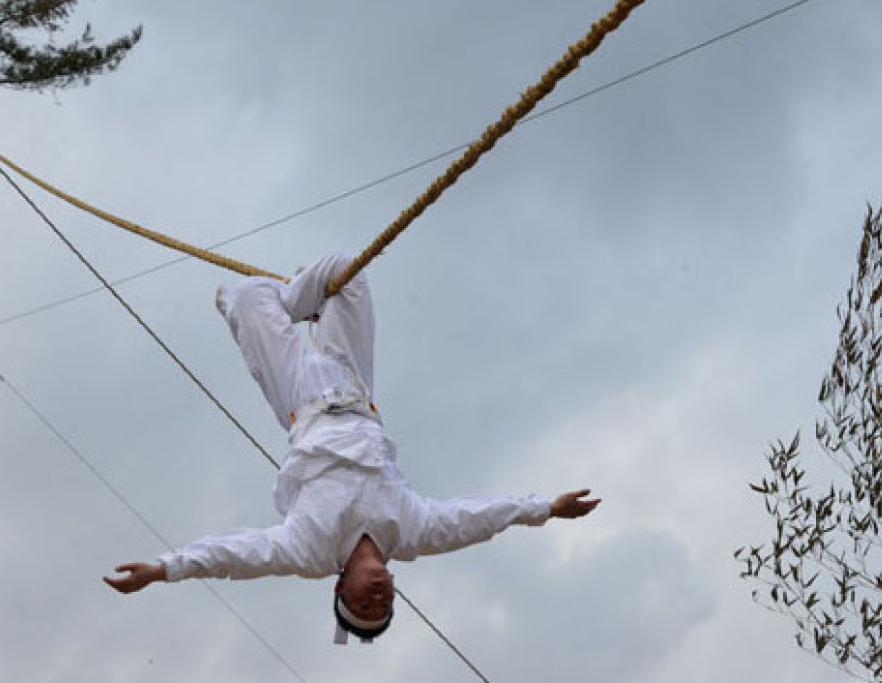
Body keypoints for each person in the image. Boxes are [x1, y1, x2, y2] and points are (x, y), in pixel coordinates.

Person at [103, 253, 600, 643]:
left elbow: (236, 554)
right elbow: (477, 518)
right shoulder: (411, 531)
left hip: (300, 400)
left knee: (252, 294)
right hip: (355, 387)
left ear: (340, 588)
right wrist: (545, 509)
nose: (378, 598)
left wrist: (165, 569)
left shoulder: (309, 549)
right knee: (346, 269)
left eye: (364, 605)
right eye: (384, 607)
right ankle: (307, 303)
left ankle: (269, 308)